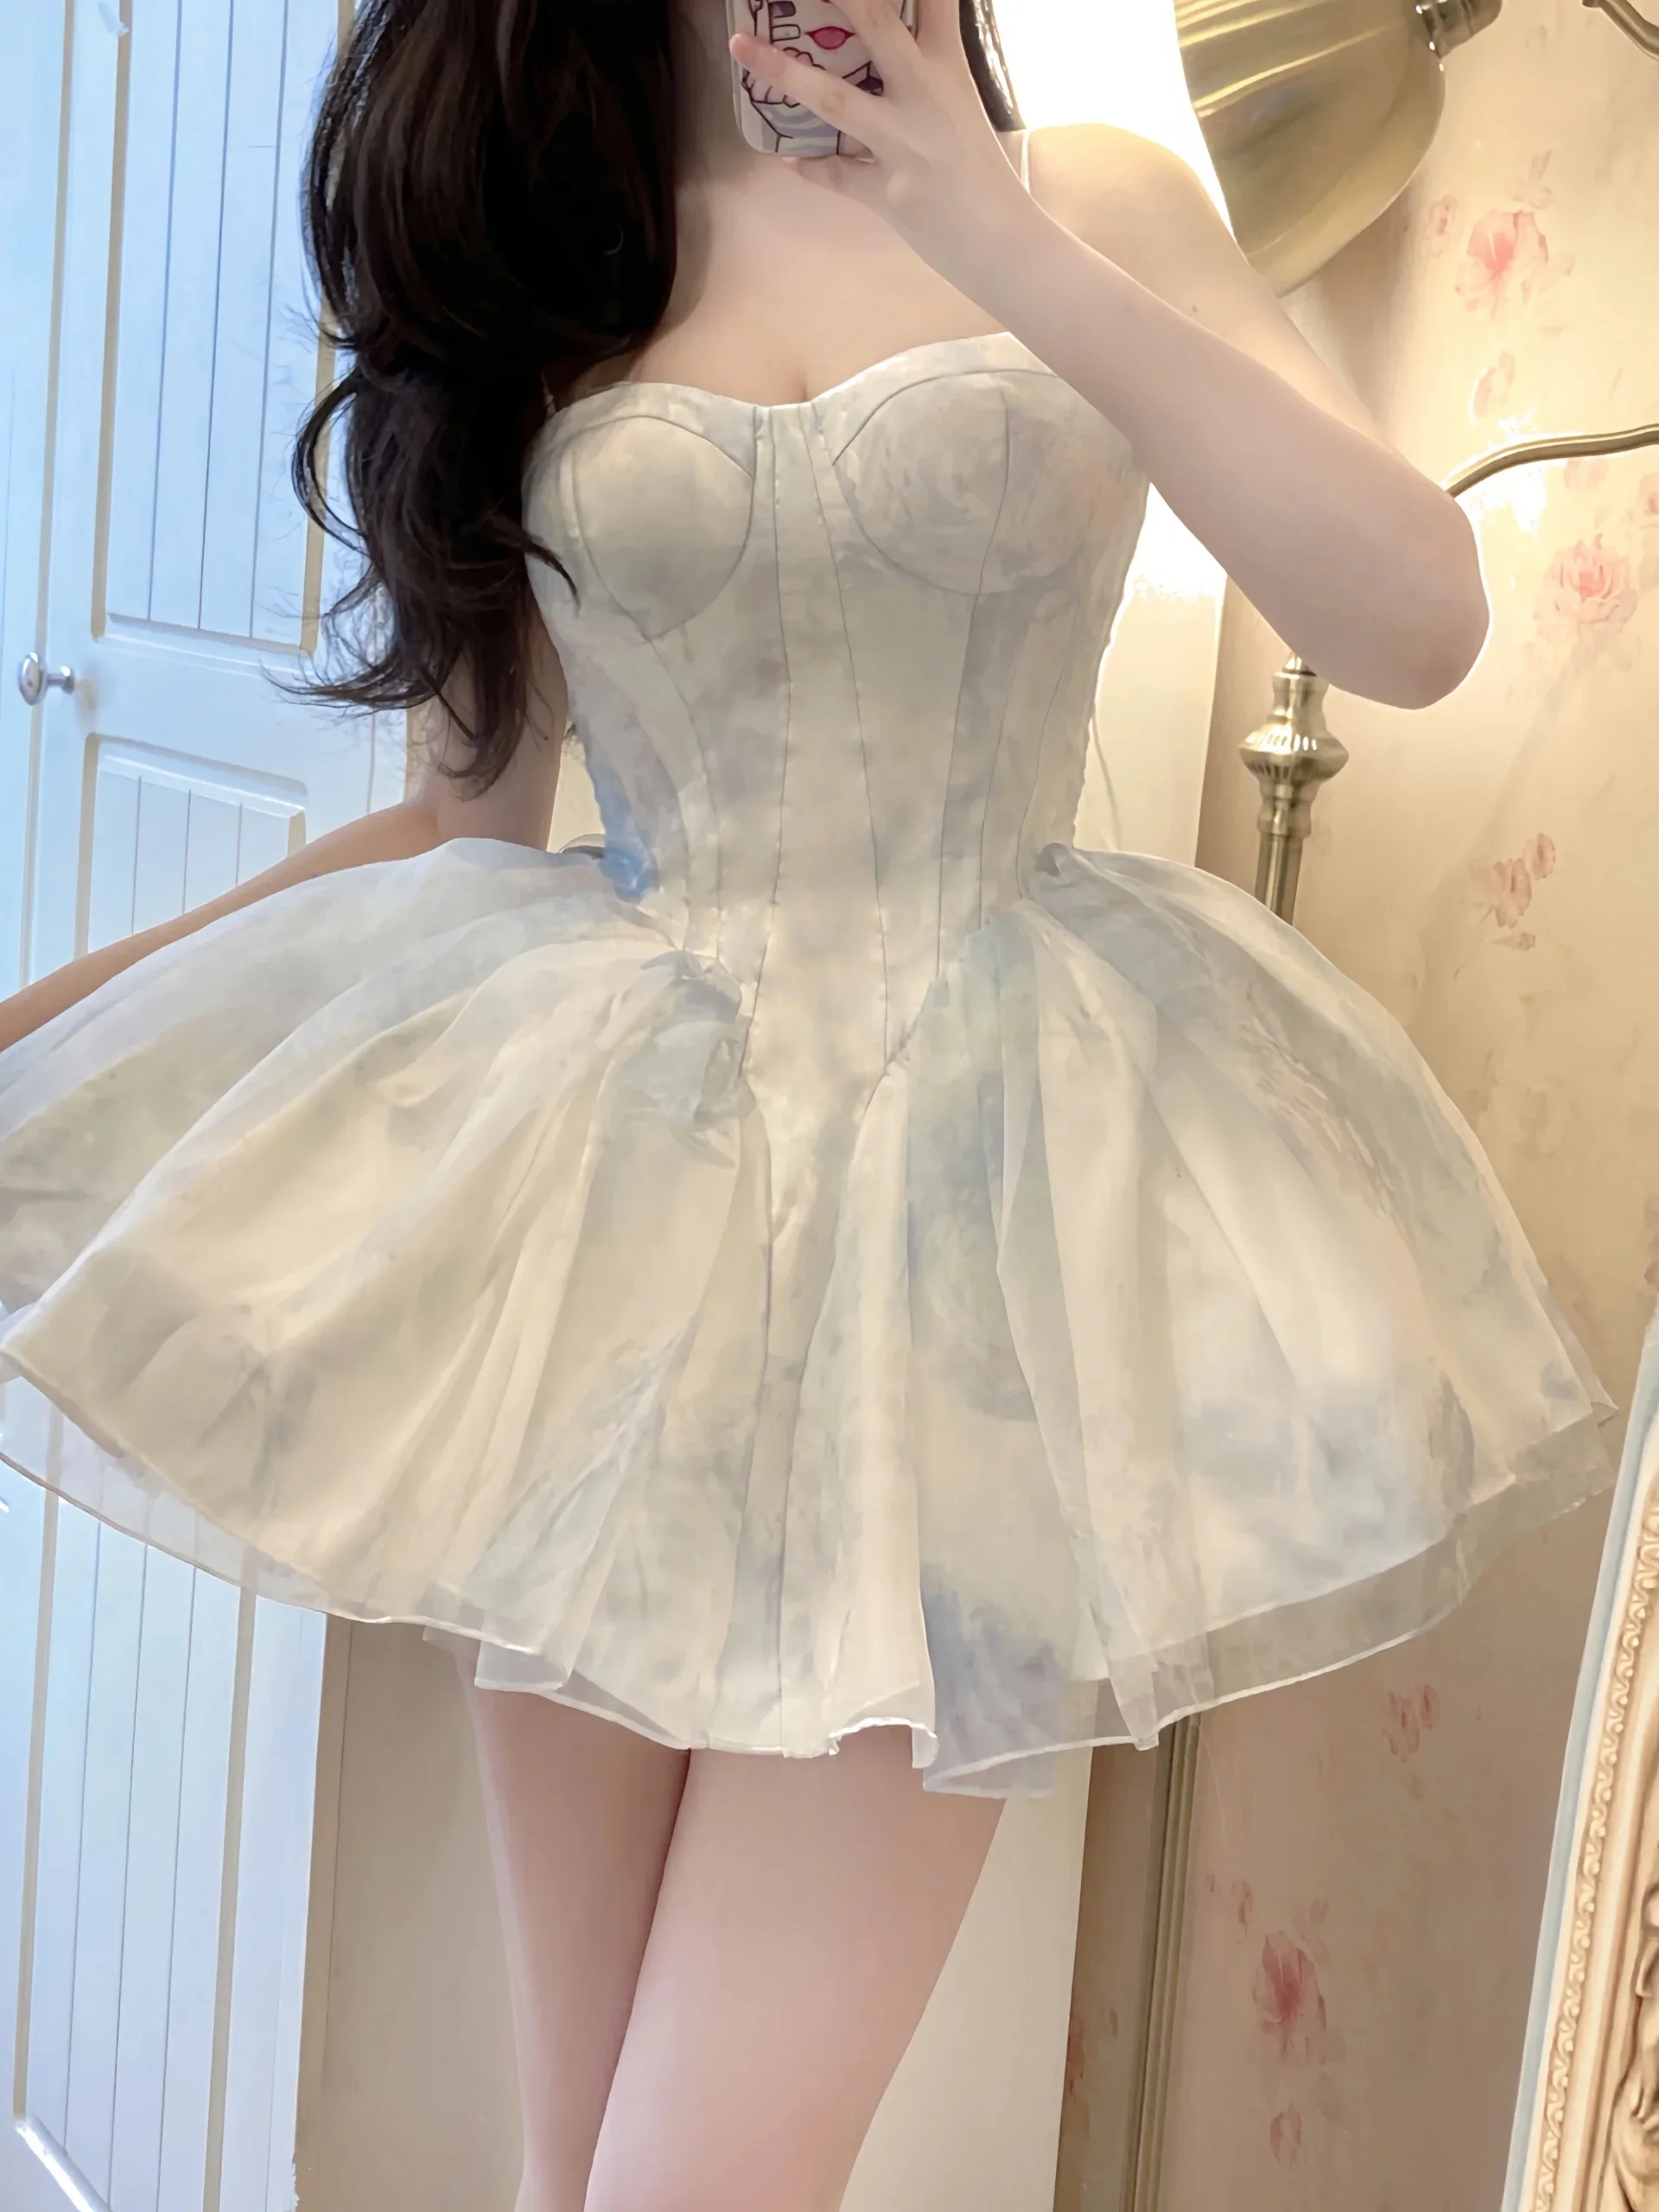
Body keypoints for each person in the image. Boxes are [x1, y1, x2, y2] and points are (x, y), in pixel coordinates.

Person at [0, 3, 1614, 2207]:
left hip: (972, 1279)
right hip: (618, 1266)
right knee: (579, 2158)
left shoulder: (1097, 198)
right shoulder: (552, 249)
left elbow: (1417, 623)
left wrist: (985, 219)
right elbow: (461, 826)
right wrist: (40, 1024)